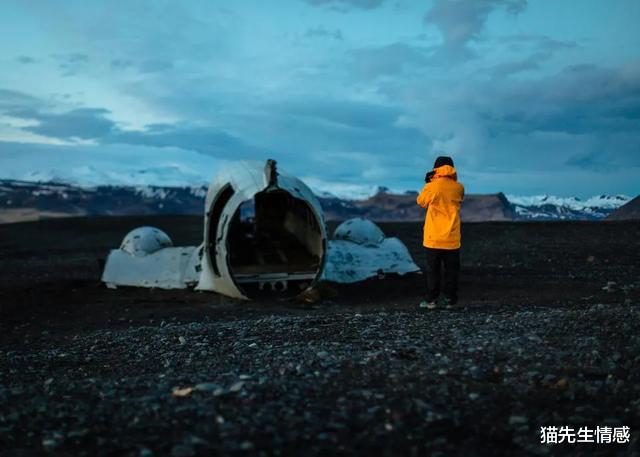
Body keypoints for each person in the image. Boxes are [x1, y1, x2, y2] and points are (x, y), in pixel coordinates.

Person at [416, 156, 464, 309]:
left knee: (433, 271)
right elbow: (459, 198)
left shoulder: (431, 187)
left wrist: (429, 183)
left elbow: (421, 202)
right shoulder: (459, 187)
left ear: (436, 168)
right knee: (451, 271)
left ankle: (431, 300)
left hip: (433, 237)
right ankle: (450, 300)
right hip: (452, 237)